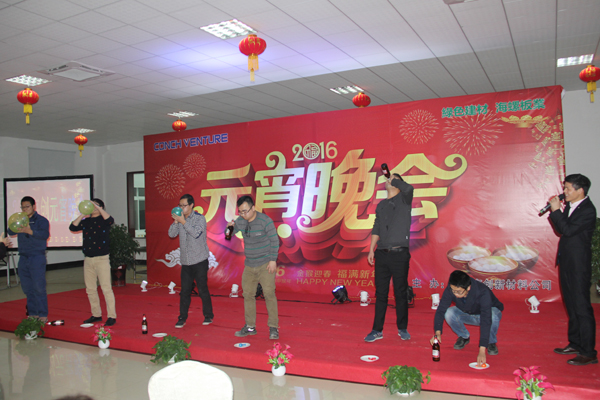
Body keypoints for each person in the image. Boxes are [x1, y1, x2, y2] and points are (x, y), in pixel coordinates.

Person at [549, 173, 598, 366]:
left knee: (581, 307)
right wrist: (558, 211)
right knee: (571, 305)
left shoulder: (588, 210)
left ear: (580, 190)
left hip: (579, 265)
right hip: (567, 262)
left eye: (568, 188)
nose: (565, 191)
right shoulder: (570, 206)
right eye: (565, 187)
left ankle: (589, 352)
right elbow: (563, 229)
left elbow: (567, 230)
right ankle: (575, 343)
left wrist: (555, 211)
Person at [365, 173, 414, 343]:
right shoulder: (382, 205)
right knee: (381, 293)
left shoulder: (404, 200)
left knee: (400, 292)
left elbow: (409, 188)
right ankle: (377, 330)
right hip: (381, 253)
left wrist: (395, 180)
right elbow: (376, 227)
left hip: (400, 254)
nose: (389, 180)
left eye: (393, 179)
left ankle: (402, 328)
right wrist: (371, 249)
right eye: (388, 179)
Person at [226, 195, 280, 339]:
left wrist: (272, 260)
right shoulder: (240, 221)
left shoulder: (265, 221)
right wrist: (229, 228)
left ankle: (273, 327)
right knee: (248, 295)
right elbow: (229, 235)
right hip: (250, 264)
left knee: (269, 294)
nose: (243, 214)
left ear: (253, 208)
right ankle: (250, 327)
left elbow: (274, 240)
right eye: (240, 212)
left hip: (265, 263)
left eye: (245, 211)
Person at [430, 270, 503, 367]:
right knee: (449, 313)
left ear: (468, 287)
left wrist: (482, 350)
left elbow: (486, 319)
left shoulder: (482, 291)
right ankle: (464, 337)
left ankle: (491, 342)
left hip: (487, 314)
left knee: (493, 316)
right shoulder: (451, 288)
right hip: (468, 313)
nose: (455, 294)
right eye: (453, 291)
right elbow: (441, 310)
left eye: (459, 292)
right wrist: (437, 333)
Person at [168, 194, 214, 328]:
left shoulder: (199, 218)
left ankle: (208, 315)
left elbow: (196, 233)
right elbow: (171, 234)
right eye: (180, 205)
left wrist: (183, 222)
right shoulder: (179, 219)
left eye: (184, 205)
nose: (182, 208)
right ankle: (182, 318)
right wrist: (176, 222)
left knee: (202, 289)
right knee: (185, 291)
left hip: (199, 260)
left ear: (191, 205)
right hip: (186, 261)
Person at [69, 199, 117, 326]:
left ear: (101, 207)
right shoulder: (86, 221)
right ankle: (96, 314)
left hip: (102, 259)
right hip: (88, 259)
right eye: (92, 205)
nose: (93, 207)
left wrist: (99, 208)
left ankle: (111, 316)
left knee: (106, 288)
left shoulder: (104, 220)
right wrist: (83, 214)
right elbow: (73, 227)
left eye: (96, 205)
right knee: (90, 289)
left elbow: (110, 220)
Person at [7, 196, 50, 321]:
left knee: (38, 287)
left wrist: (30, 231)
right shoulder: (20, 219)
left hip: (37, 257)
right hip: (23, 257)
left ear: (34, 206)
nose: (24, 209)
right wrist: (16, 222)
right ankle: (32, 314)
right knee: (27, 288)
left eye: (27, 206)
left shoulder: (41, 220)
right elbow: (10, 232)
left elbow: (45, 234)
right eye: (22, 207)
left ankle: (42, 314)